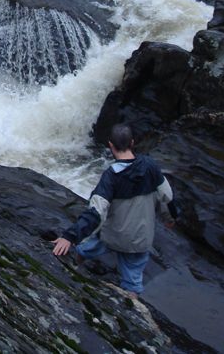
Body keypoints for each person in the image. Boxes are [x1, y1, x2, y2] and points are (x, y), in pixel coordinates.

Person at [51, 123, 178, 294]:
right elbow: (167, 196)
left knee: (86, 247)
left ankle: (74, 268)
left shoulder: (111, 177)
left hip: (112, 236)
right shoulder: (150, 166)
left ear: (111, 145)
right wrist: (170, 217)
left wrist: (69, 236)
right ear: (132, 143)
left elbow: (96, 213)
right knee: (133, 283)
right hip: (140, 239)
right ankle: (133, 308)